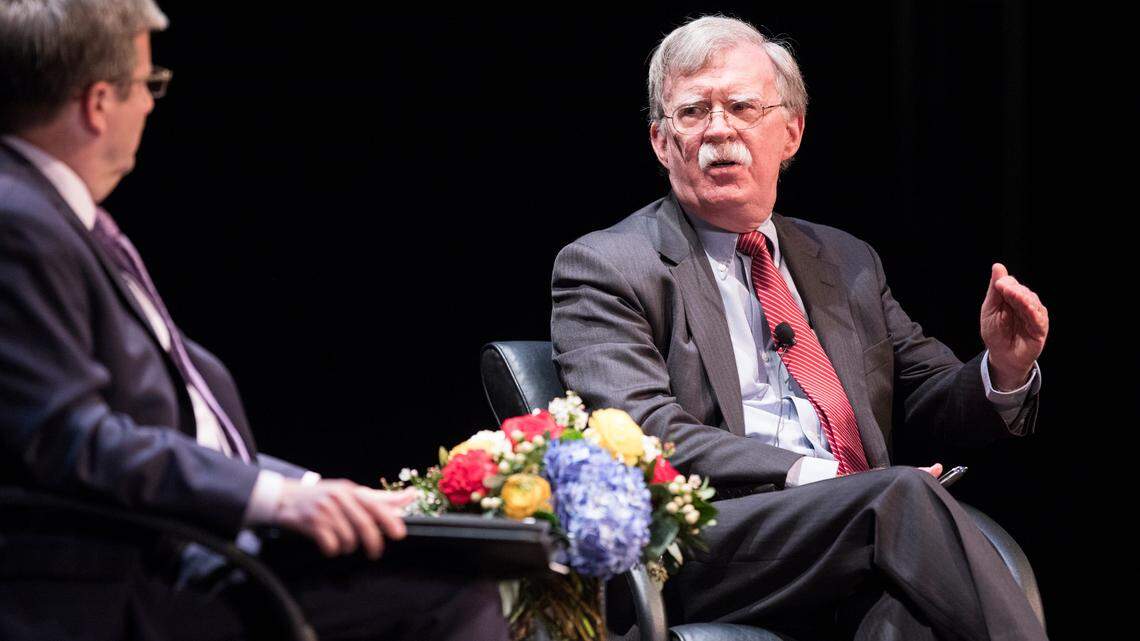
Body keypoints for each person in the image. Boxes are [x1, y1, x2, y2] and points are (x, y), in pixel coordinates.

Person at [0, 2, 508, 640]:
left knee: (439, 554)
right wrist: (275, 500)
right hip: (112, 585)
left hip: (181, 550)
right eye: (149, 85)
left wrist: (317, 490)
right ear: (98, 102)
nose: (153, 106)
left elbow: (176, 424)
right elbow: (71, 437)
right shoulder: (19, 222)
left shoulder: (62, 219)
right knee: (447, 591)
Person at [551, 15, 1048, 641]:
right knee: (900, 500)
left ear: (791, 132)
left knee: (902, 618)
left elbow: (930, 395)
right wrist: (818, 477)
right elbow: (645, 432)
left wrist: (1003, 368)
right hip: (713, 542)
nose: (718, 130)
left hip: (851, 531)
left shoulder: (845, 261)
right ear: (660, 141)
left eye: (741, 106)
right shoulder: (606, 265)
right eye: (692, 112)